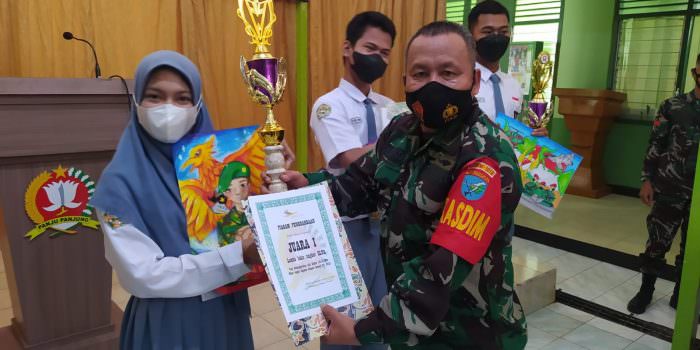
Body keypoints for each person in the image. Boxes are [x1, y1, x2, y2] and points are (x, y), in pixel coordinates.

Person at [266, 21, 527, 349]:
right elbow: (361, 184)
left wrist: (364, 332)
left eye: (448, 73)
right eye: (420, 73)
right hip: (413, 331)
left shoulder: (485, 159)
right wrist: (305, 185)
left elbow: (442, 268)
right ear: (405, 81)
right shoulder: (402, 130)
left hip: (468, 333)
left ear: (474, 82)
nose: (433, 84)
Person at [91, 50, 260, 350]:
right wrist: (238, 257)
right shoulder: (117, 186)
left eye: (182, 98)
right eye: (155, 96)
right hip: (168, 322)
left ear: (198, 106)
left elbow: (236, 225)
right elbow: (143, 276)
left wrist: (274, 176)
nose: (168, 108)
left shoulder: (218, 170)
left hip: (225, 313)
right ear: (136, 103)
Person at [309, 12, 395, 350]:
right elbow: (352, 160)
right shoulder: (329, 106)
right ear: (348, 49)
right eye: (370, 48)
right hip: (346, 225)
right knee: (344, 327)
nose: (377, 58)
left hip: (387, 225)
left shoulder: (390, 107)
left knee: (383, 321)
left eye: (385, 53)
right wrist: (397, 145)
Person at [627, 53, 700, 314]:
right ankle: (646, 290)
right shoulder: (673, 106)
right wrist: (647, 180)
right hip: (670, 188)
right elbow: (655, 144)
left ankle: (682, 293)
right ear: (694, 73)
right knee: (657, 243)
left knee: (694, 249)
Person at [468, 0, 548, 136]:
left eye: (503, 31)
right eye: (488, 31)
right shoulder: (462, 84)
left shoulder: (514, 86)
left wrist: (537, 138)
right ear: (470, 35)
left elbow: (514, 135)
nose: (496, 37)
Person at [215, 161, 254, 245]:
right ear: (225, 193)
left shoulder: (260, 212)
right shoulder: (223, 223)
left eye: (242, 185)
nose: (238, 192)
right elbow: (224, 249)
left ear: (249, 185)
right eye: (230, 189)